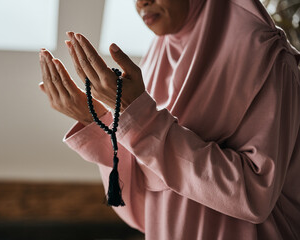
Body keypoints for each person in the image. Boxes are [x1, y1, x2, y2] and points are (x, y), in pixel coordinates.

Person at [38, 0, 300, 239]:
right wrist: (98, 119)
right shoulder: (153, 62)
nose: (141, 2)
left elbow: (253, 196)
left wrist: (138, 115)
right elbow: (145, 210)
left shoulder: (266, 56)